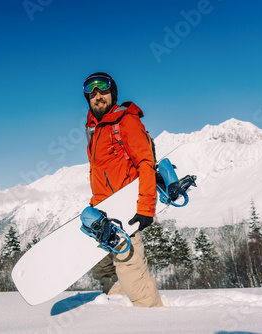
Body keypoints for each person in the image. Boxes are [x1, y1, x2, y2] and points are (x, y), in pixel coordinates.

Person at [83, 72, 163, 307]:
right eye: (92, 91)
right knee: (103, 269)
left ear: (113, 93)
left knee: (131, 270)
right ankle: (117, 312)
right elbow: (102, 173)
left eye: (103, 89)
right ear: (87, 97)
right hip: (104, 213)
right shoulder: (94, 128)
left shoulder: (126, 120)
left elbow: (145, 164)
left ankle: (154, 317)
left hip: (125, 212)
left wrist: (146, 208)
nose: (98, 95)